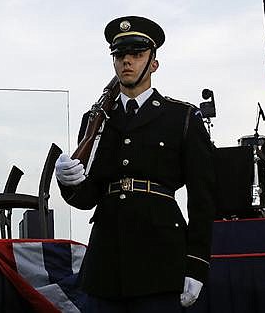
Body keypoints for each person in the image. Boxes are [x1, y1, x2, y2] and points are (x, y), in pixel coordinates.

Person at [55, 16, 215, 311]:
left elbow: (203, 198)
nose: (127, 61)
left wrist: (197, 263)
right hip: (105, 264)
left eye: (137, 54)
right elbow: (88, 197)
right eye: (120, 55)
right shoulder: (96, 121)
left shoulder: (181, 118)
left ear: (153, 63)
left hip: (161, 260)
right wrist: (68, 182)